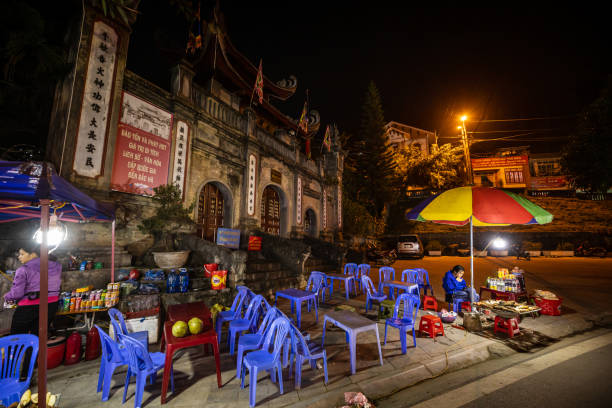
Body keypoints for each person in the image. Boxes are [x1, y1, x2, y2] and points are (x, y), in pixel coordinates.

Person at [4, 242, 62, 335]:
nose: (19, 257)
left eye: (22, 254)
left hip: (29, 307)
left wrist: (7, 296)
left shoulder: (23, 270)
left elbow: (17, 294)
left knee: (18, 337)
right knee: (39, 336)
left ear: (33, 254)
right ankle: (36, 350)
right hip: (51, 305)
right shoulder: (57, 266)